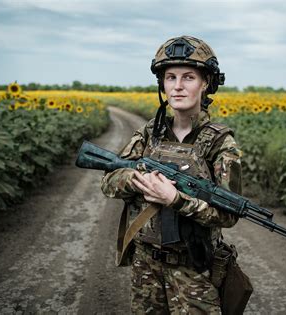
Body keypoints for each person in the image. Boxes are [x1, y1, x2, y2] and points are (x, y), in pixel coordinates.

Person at [101, 35, 242, 314]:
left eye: (188, 77)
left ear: (206, 84)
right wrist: (134, 180)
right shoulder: (148, 134)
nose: (177, 86)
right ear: (162, 84)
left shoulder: (220, 143)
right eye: (170, 77)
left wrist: (176, 200)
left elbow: (228, 214)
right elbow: (108, 182)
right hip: (145, 266)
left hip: (194, 270)